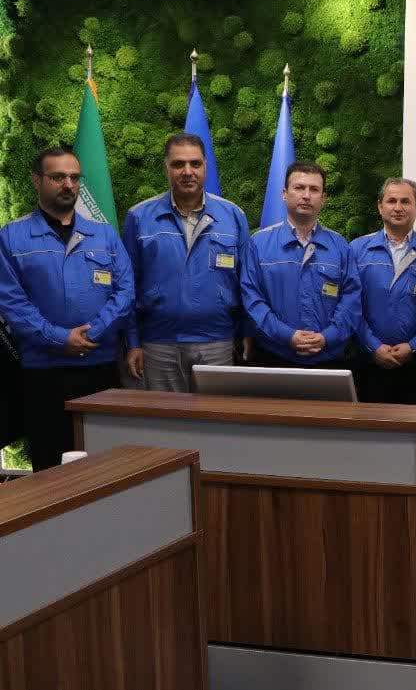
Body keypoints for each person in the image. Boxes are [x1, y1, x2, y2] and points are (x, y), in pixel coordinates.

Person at [0, 148, 134, 471]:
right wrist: (60, 338)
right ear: (37, 180)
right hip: (43, 373)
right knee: (50, 467)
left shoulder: (104, 234)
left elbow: (125, 291)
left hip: (100, 368)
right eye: (58, 177)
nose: (68, 185)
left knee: (106, 464)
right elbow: (12, 303)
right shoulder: (12, 237)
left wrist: (93, 333)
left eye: (74, 177)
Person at [122, 133, 251, 392]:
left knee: (215, 416)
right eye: (178, 164)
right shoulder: (139, 217)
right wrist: (132, 342)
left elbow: (248, 282)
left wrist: (247, 333)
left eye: (195, 163)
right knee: (165, 417)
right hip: (158, 345)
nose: (187, 172)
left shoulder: (233, 216)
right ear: (166, 168)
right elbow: (127, 285)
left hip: (218, 343)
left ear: (205, 166)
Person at [240, 162, 361, 368]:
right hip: (274, 356)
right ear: (284, 194)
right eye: (299, 188)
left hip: (328, 358)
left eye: (314, 189)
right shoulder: (258, 244)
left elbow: (352, 299)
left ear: (323, 198)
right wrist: (286, 335)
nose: (306, 195)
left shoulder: (341, 246)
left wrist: (327, 337)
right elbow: (251, 299)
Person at [351, 178, 416, 405]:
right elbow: (350, 306)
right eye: (391, 201)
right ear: (380, 206)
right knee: (369, 426)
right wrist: (373, 346)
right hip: (368, 362)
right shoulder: (357, 249)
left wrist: (414, 346)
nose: (398, 207)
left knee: (415, 426)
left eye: (405, 201)